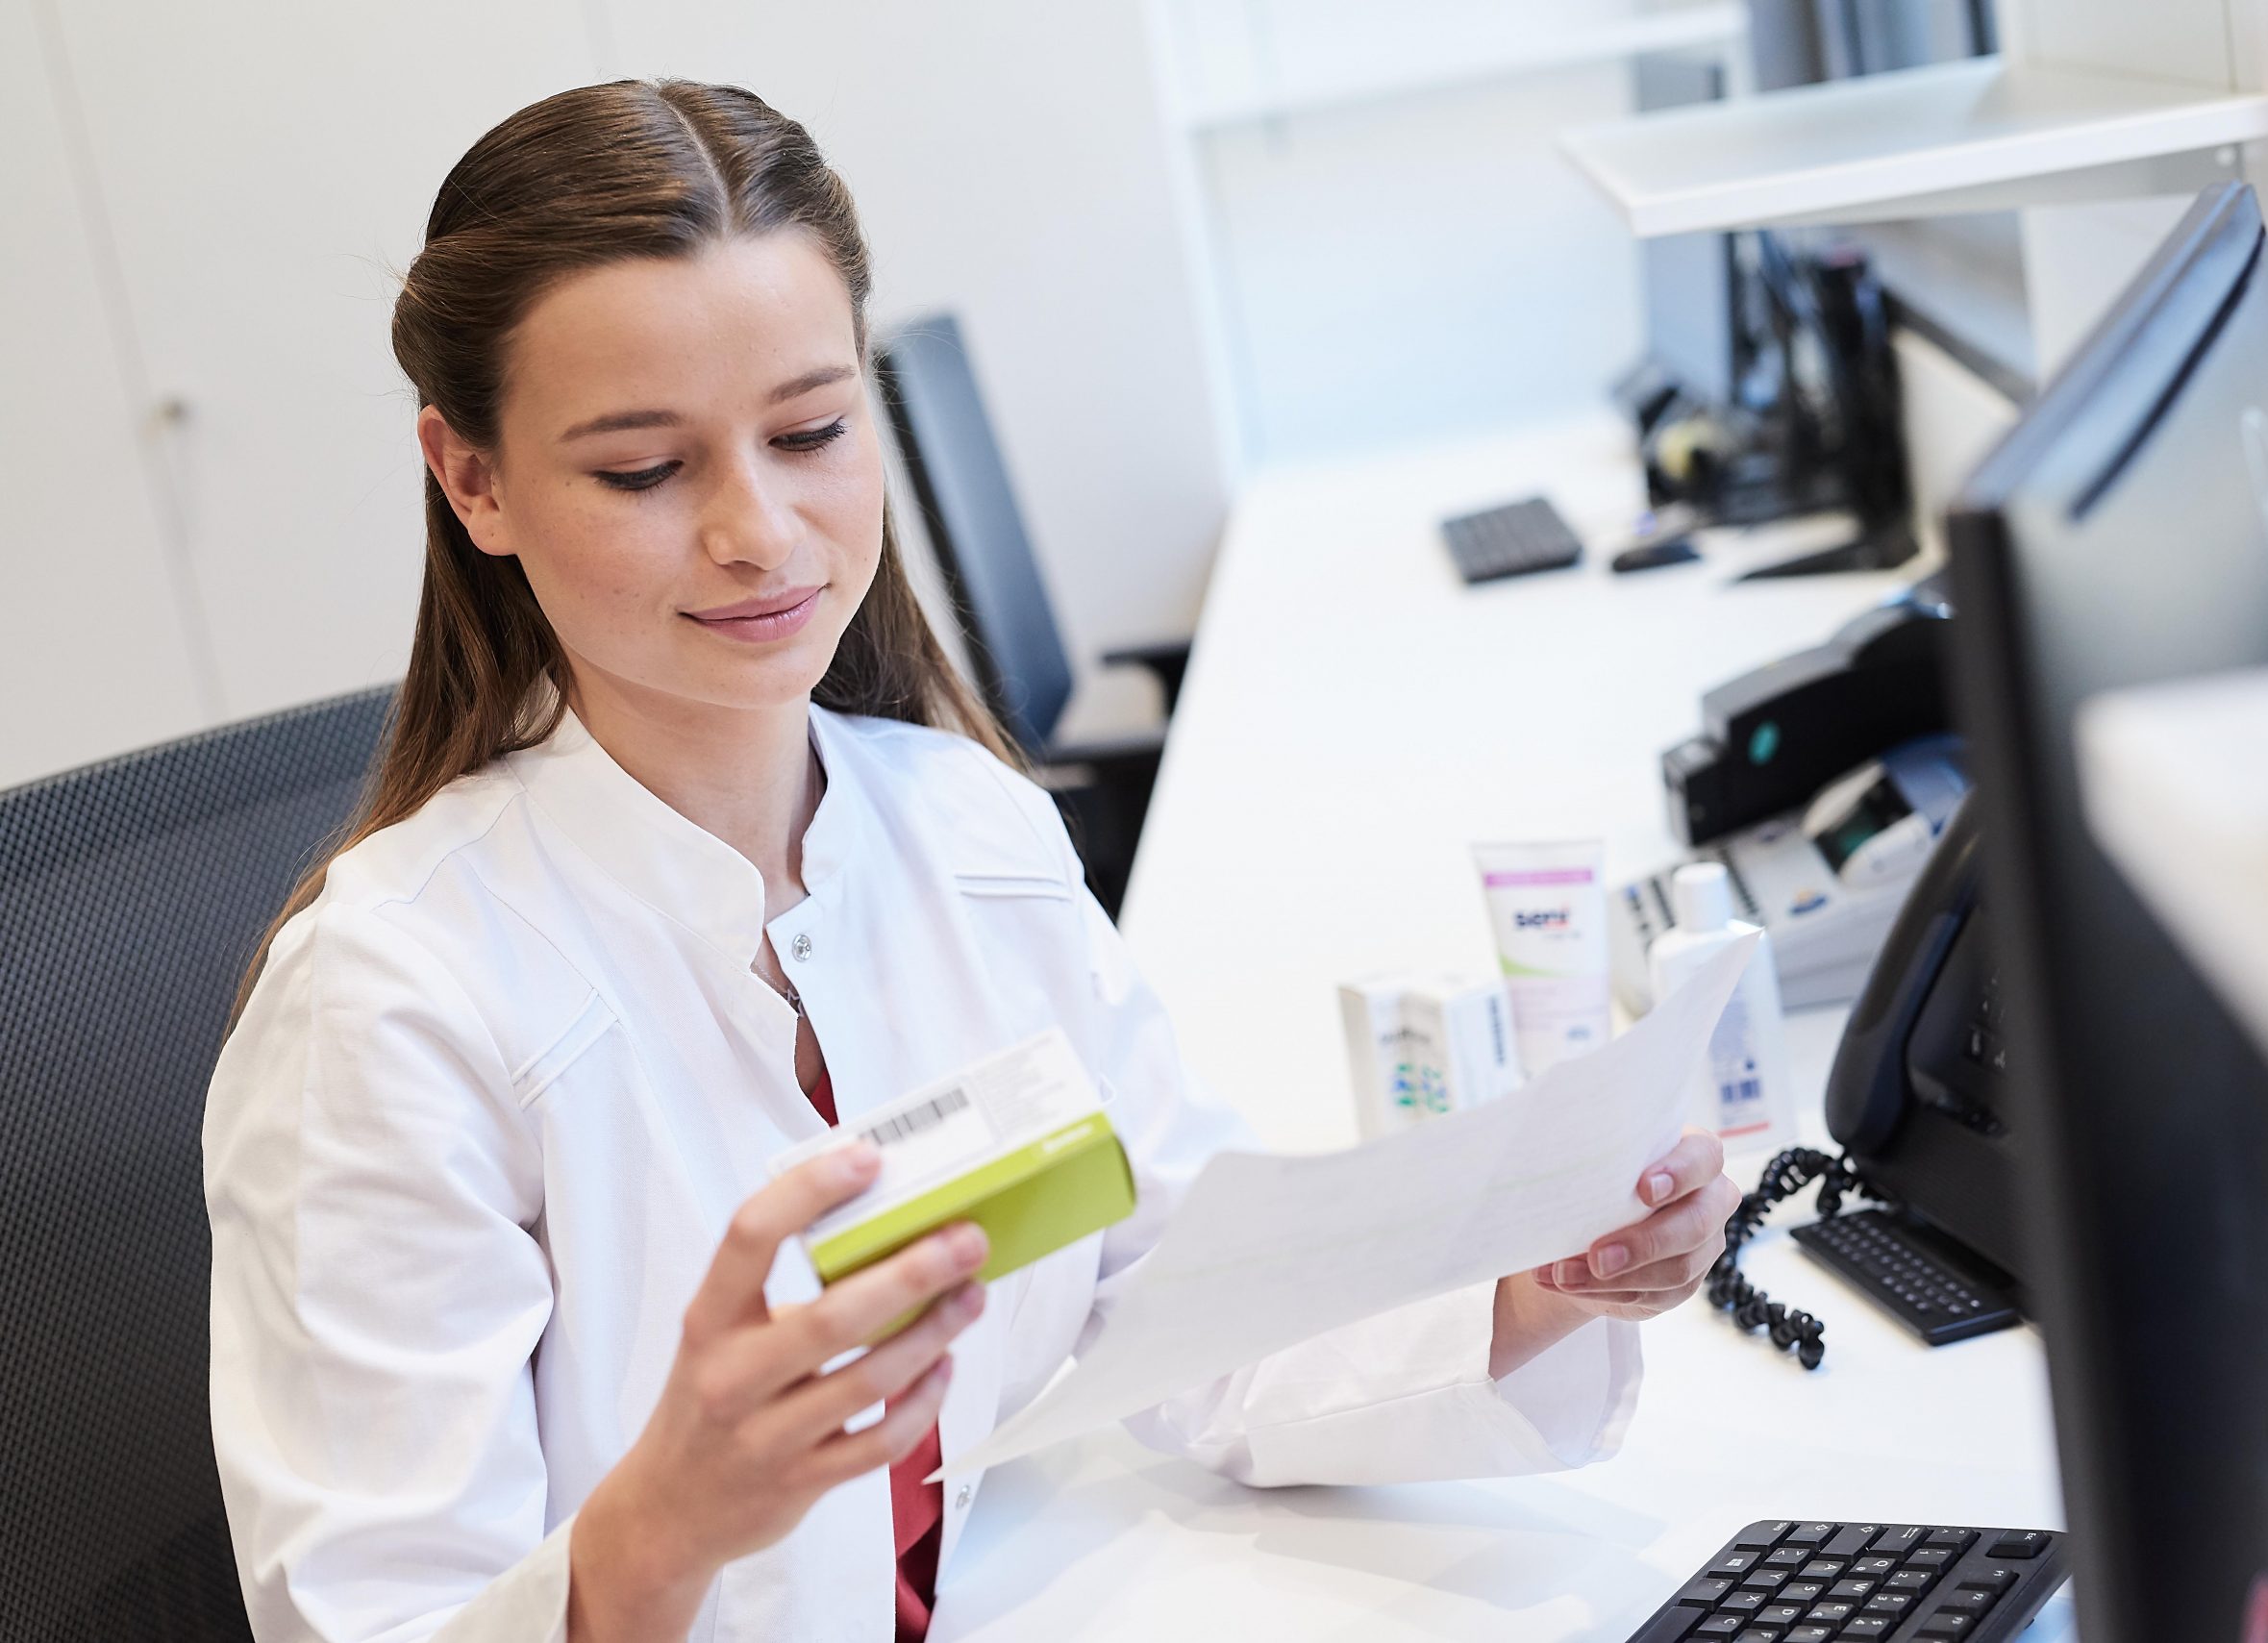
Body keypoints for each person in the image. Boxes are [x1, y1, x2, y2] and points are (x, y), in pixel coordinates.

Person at [203, 79, 1742, 1643]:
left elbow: (1173, 1297)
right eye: (645, 471)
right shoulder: (388, 1009)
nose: (763, 530)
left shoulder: (965, 831)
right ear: (475, 481)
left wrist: (1533, 1282)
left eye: (811, 430)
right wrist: (657, 1535)